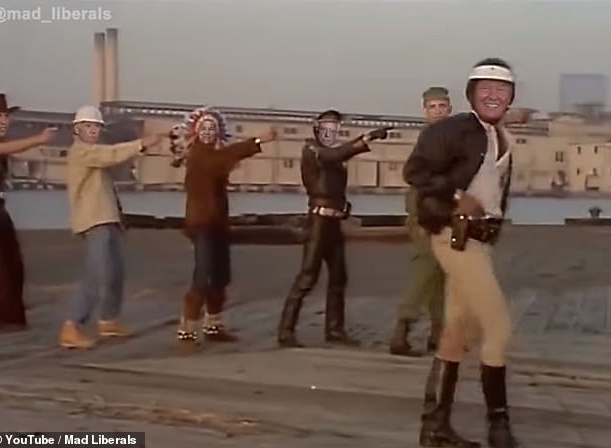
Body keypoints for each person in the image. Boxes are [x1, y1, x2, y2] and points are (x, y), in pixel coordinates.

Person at [404, 58, 520, 448]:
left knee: (456, 331)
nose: (493, 95)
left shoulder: (498, 133)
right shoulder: (452, 129)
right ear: (471, 94)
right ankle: (498, 427)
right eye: (485, 88)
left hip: (481, 240)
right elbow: (415, 171)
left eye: (501, 89)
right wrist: (456, 197)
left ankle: (434, 428)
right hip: (455, 236)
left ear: (510, 97)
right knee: (498, 329)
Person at [277, 109, 390, 348]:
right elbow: (333, 156)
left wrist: (344, 208)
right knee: (307, 277)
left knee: (339, 278)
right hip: (318, 223)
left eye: (335, 129)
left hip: (333, 223)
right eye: (326, 128)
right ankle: (286, 331)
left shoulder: (333, 156)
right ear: (317, 129)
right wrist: (366, 139)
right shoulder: (312, 149)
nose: (330, 133)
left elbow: (335, 172)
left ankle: (334, 329)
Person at [58, 105, 164, 349]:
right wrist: (141, 144)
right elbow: (111, 154)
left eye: (96, 127)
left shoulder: (94, 153)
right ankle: (72, 325)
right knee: (96, 274)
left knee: (115, 272)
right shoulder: (81, 152)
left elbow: (110, 166)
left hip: (108, 218)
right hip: (94, 220)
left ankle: (109, 320)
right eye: (88, 126)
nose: (93, 130)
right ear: (76, 130)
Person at [170, 107, 277, 343]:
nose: (208, 132)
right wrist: (256, 142)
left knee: (220, 275)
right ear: (196, 133)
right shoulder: (199, 156)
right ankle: (187, 326)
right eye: (204, 128)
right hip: (202, 225)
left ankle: (213, 325)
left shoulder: (213, 155)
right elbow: (219, 161)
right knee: (203, 274)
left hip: (218, 224)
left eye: (212, 128)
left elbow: (222, 160)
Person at [389, 87, 452, 357]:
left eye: (442, 106)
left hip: (443, 209)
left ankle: (438, 334)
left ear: (449, 109)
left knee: (441, 273)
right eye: (432, 107)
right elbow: (413, 175)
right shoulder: (430, 139)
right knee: (425, 270)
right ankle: (401, 331)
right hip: (425, 210)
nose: (437, 111)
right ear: (425, 111)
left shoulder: (449, 136)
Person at [0, 92, 57, 334]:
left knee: (11, 262)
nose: (3, 121)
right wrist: (39, 139)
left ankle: (8, 314)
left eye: (5, 116)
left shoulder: (0, 145)